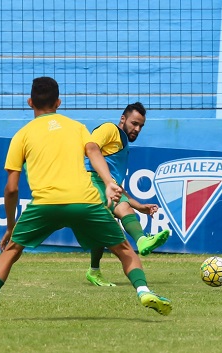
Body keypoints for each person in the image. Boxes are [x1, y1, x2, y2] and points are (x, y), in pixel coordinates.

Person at [0, 77, 172, 323]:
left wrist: (11, 227)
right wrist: (109, 182)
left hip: (45, 204)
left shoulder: (22, 135)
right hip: (84, 200)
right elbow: (94, 151)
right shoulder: (76, 127)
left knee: (11, 251)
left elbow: (11, 189)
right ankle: (143, 291)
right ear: (59, 102)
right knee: (124, 249)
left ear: (30, 102)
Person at [84, 102, 170, 287]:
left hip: (106, 184)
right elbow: (90, 147)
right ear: (123, 119)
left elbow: (116, 185)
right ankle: (97, 269)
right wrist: (107, 181)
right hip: (91, 180)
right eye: (134, 123)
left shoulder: (121, 145)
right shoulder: (109, 129)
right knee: (109, 220)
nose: (137, 129)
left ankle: (140, 242)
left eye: (141, 126)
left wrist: (138, 205)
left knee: (121, 213)